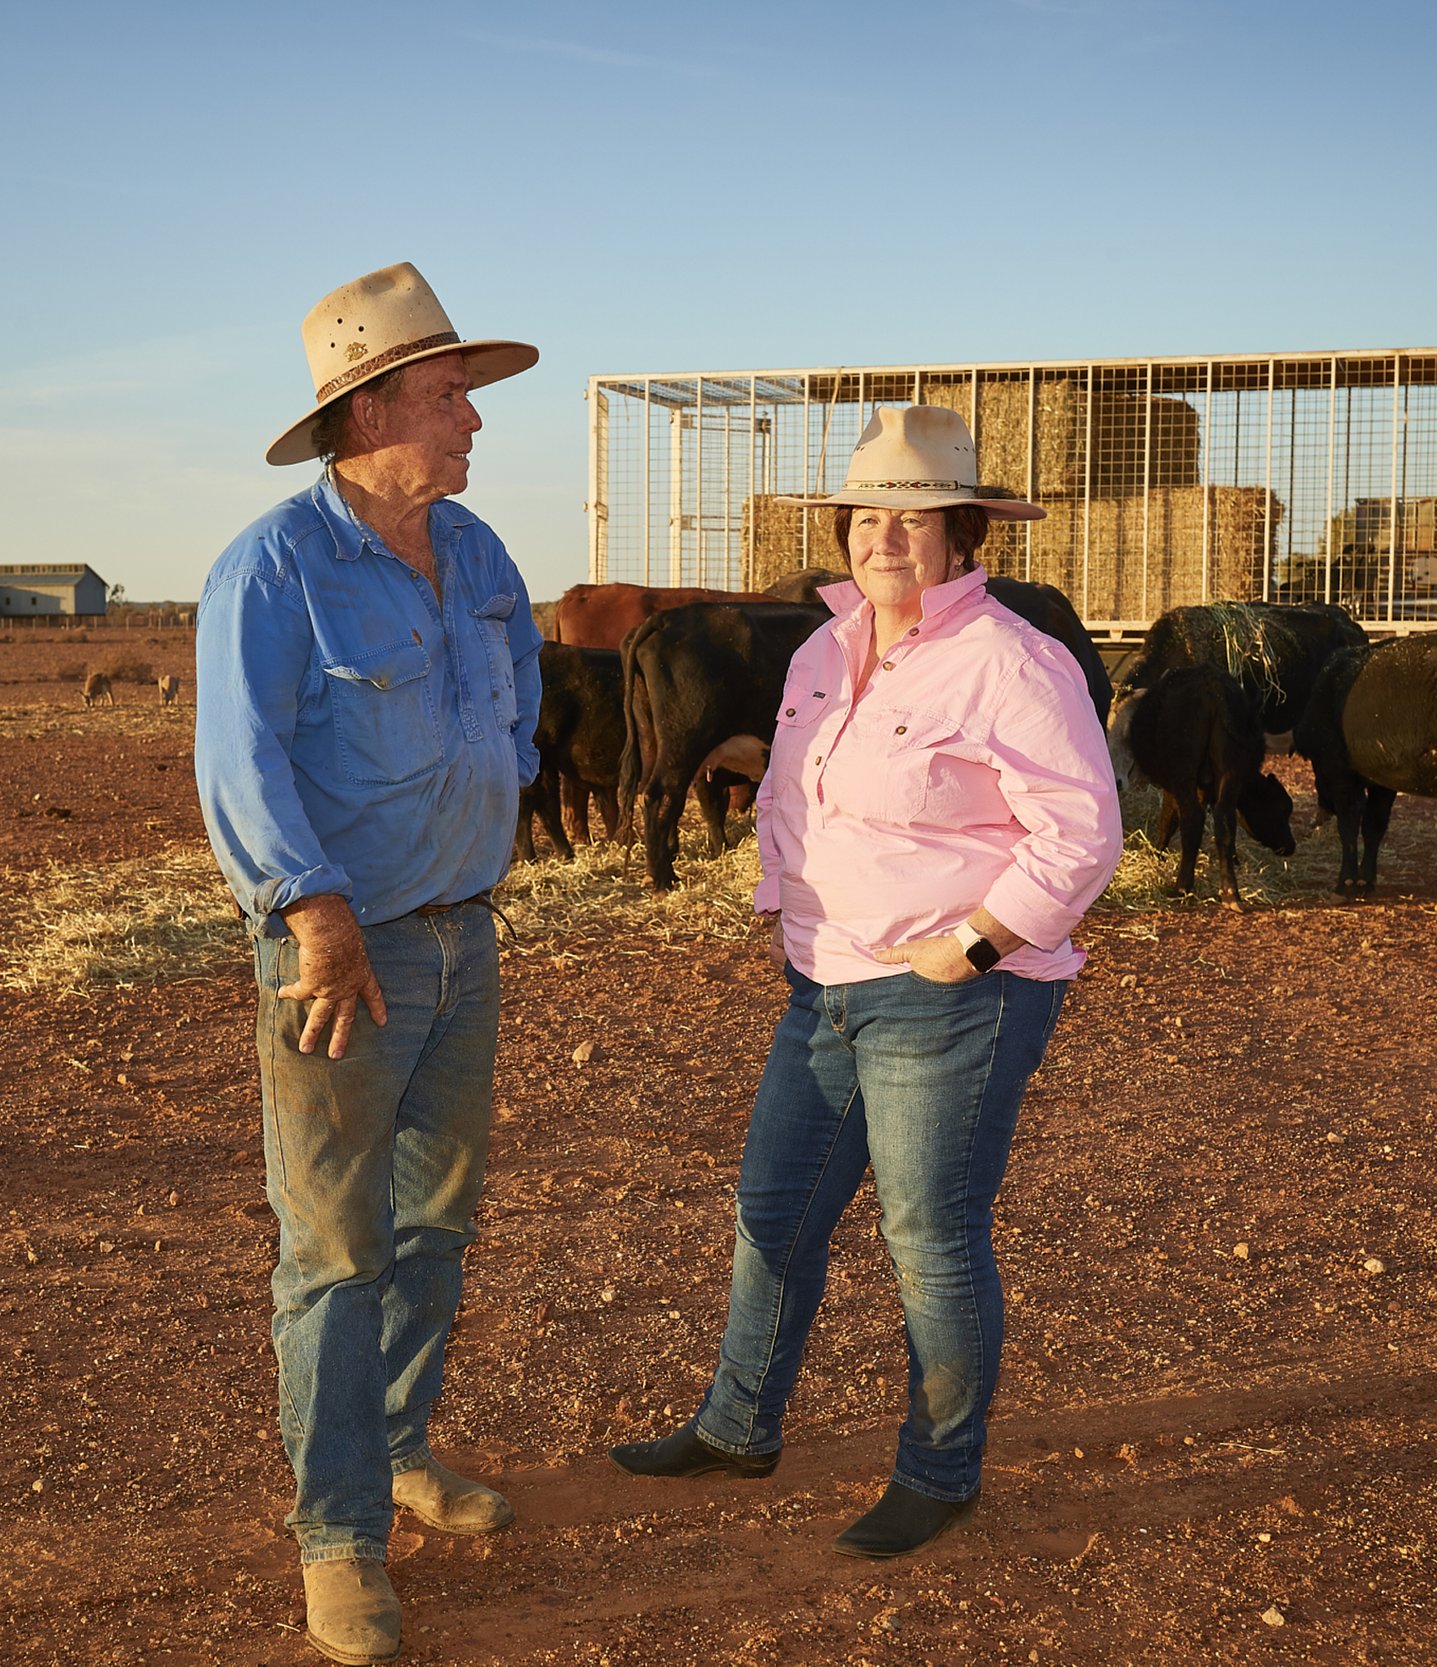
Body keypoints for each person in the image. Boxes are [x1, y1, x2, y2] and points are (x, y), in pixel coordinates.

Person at [609, 404, 1122, 1558]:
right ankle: (740, 1425)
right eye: (867, 515)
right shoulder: (818, 649)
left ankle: (941, 1470)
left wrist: (978, 941)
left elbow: (1085, 830)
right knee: (772, 1209)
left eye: (914, 518)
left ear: (961, 535)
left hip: (951, 994)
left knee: (929, 1233)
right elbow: (789, 793)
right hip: (823, 980)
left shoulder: (1009, 661)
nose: (884, 536)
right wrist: (780, 905)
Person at [194, 262, 542, 1665]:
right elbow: (240, 762)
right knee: (335, 1249)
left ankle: (400, 1449)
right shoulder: (270, 569)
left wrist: (493, 812)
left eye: (465, 393)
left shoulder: (484, 556)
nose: (472, 418)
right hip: (341, 951)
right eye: (451, 393)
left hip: (464, 935)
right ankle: (337, 1534)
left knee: (436, 1224)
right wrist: (313, 910)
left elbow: (512, 719)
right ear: (371, 409)